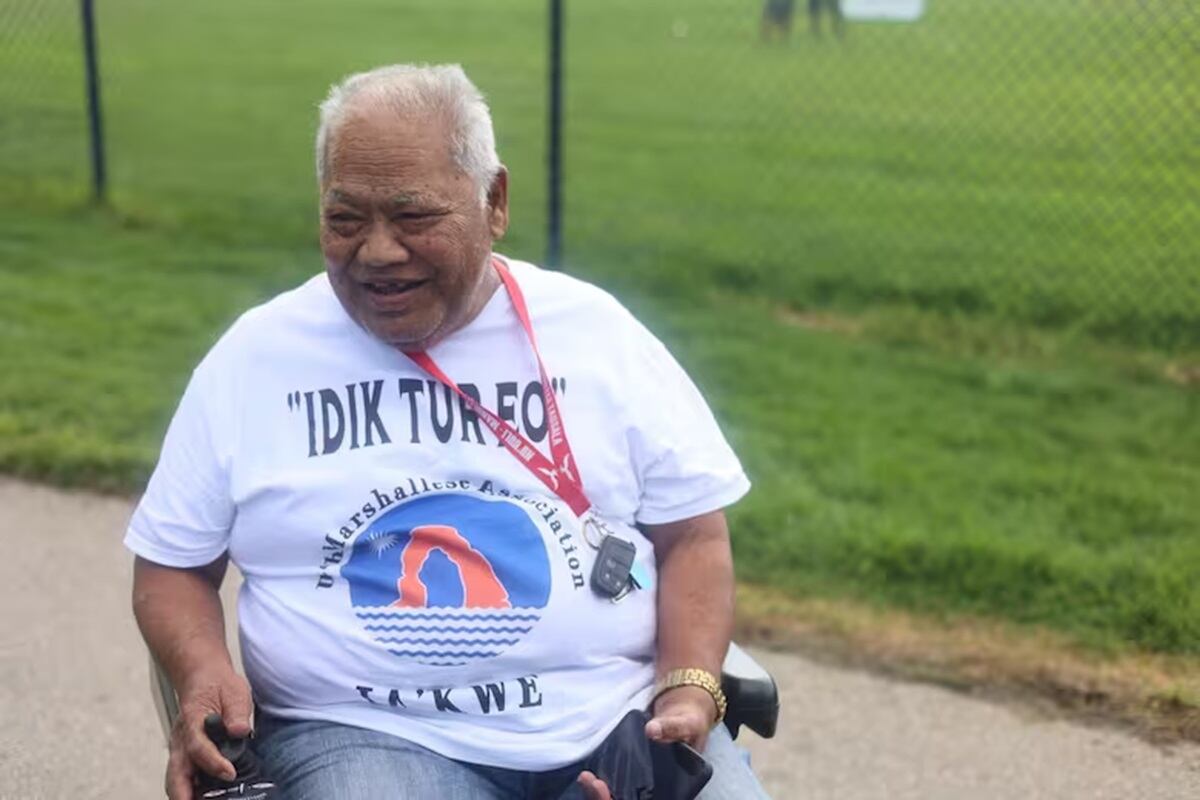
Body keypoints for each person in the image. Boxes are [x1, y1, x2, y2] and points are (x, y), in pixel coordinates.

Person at [127, 63, 769, 800]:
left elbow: (693, 534)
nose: (376, 251)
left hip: (615, 724)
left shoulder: (597, 336)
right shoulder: (258, 356)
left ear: (493, 201)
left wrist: (688, 690)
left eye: (413, 218)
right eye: (344, 220)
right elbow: (172, 563)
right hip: (365, 735)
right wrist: (203, 672)